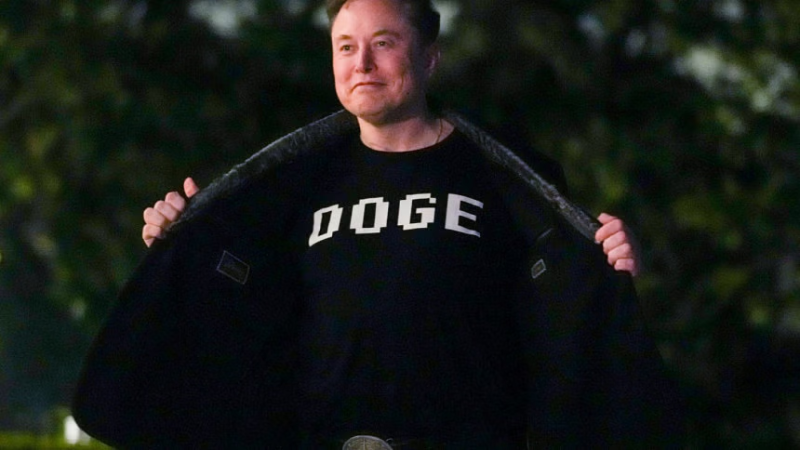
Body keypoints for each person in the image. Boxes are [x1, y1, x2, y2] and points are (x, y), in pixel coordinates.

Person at [72, 0, 683, 448]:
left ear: (429, 56)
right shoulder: (292, 184)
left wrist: (609, 256)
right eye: (345, 46)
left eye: (383, 42)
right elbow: (239, 306)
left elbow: (564, 306)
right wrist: (179, 238)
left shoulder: (507, 178)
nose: (361, 62)